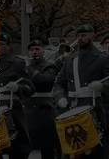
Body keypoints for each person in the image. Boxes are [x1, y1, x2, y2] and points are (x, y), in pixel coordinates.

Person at [53, 24, 109, 159]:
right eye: (78, 36)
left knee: (96, 151)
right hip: (72, 109)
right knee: (73, 151)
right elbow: (58, 84)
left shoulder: (102, 58)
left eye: (84, 35)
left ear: (93, 35)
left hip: (95, 109)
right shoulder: (70, 59)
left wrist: (103, 86)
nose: (80, 39)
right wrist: (60, 97)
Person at [0, 34, 35, 159]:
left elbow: (30, 88)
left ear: (8, 46)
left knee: (17, 149)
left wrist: (18, 88)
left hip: (12, 112)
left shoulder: (17, 63)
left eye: (1, 44)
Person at [25, 40, 58, 159]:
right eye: (32, 50)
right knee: (29, 145)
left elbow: (46, 80)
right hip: (29, 109)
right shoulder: (26, 67)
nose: (34, 52)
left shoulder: (50, 65)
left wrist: (32, 72)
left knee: (47, 145)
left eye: (37, 49)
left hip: (45, 109)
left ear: (43, 51)